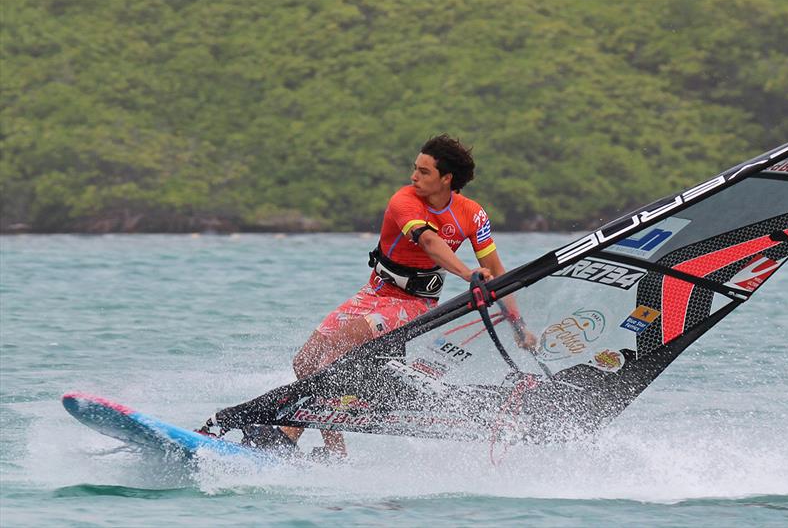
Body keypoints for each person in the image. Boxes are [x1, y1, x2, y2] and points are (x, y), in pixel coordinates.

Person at [199, 134, 536, 460]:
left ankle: (285, 436)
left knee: (336, 352)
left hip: (413, 305)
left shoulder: (472, 215)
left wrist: (519, 326)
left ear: (446, 178)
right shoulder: (404, 201)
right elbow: (430, 242)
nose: (413, 176)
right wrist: (467, 274)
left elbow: (497, 273)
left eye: (423, 171)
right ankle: (335, 452)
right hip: (374, 294)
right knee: (306, 361)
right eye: (415, 168)